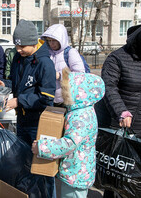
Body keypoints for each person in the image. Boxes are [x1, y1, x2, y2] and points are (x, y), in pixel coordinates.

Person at [0, 19, 56, 198]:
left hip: (39, 123)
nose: (19, 50)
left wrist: (19, 101)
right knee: (24, 164)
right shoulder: (18, 57)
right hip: (22, 120)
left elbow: (46, 98)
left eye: (22, 46)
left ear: (33, 42)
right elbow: (19, 83)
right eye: (17, 46)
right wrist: (5, 85)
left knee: (43, 168)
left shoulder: (45, 64)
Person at [96, 24, 141, 198]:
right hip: (117, 125)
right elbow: (109, 87)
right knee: (116, 175)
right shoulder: (116, 59)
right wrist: (122, 111)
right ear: (140, 42)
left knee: (135, 177)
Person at [32, 68, 105, 198]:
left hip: (76, 173)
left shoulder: (80, 117)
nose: (63, 92)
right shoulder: (82, 110)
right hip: (77, 171)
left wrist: (42, 147)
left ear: (79, 93)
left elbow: (69, 143)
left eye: (66, 89)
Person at [41, 24, 85, 107]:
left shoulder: (70, 52)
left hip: (67, 100)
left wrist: (61, 75)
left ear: (61, 39)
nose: (51, 44)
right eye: (49, 41)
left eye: (54, 40)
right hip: (49, 98)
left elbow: (80, 74)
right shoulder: (47, 53)